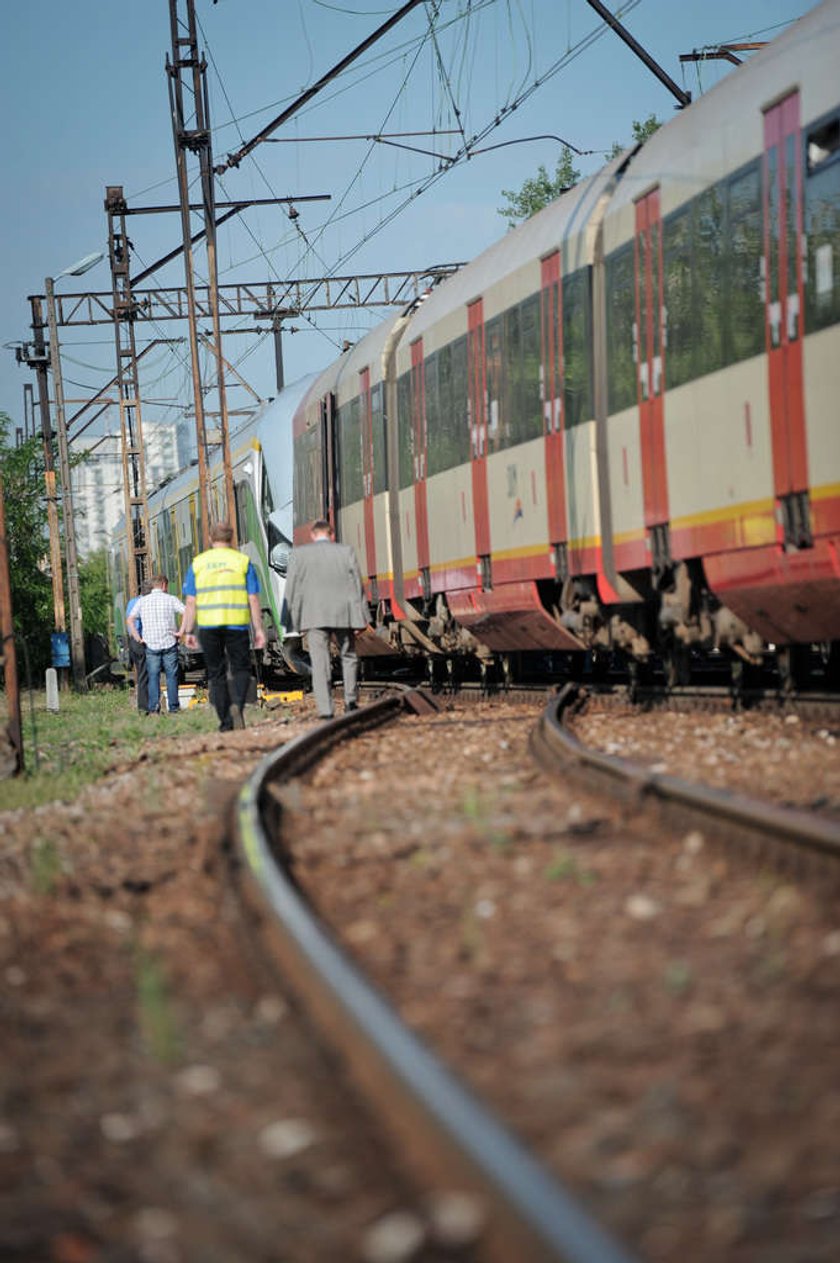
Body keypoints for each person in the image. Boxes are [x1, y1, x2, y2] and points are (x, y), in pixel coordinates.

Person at [180, 521, 266, 732]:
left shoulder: (198, 563)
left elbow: (191, 602)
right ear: (231, 538)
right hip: (236, 624)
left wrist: (188, 631)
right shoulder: (242, 562)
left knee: (216, 674)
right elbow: (253, 598)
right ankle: (237, 703)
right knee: (241, 669)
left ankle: (225, 722)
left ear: (211, 539)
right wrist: (259, 629)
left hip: (209, 627)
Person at [283, 519, 368, 720]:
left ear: (313, 536)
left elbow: (291, 590)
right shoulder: (345, 552)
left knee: (320, 662)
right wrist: (362, 617)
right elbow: (357, 586)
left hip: (314, 616)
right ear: (331, 535)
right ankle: (350, 701)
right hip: (343, 614)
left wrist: (290, 620)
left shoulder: (299, 556)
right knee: (348, 656)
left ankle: (326, 710)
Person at [126, 574, 186, 716]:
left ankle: (154, 709)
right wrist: (181, 632)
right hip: (169, 643)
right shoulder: (171, 599)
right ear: (164, 585)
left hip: (151, 645)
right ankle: (173, 708)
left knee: (153, 677)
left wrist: (138, 637)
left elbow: (130, 620)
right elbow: (187, 611)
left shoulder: (142, 601)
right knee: (172, 676)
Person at [125, 579, 152, 712]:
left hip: (134, 641)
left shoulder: (132, 602)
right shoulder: (146, 603)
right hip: (142, 640)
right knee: (149, 673)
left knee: (142, 674)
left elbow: (129, 624)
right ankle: (147, 706)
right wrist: (140, 639)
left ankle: (144, 707)